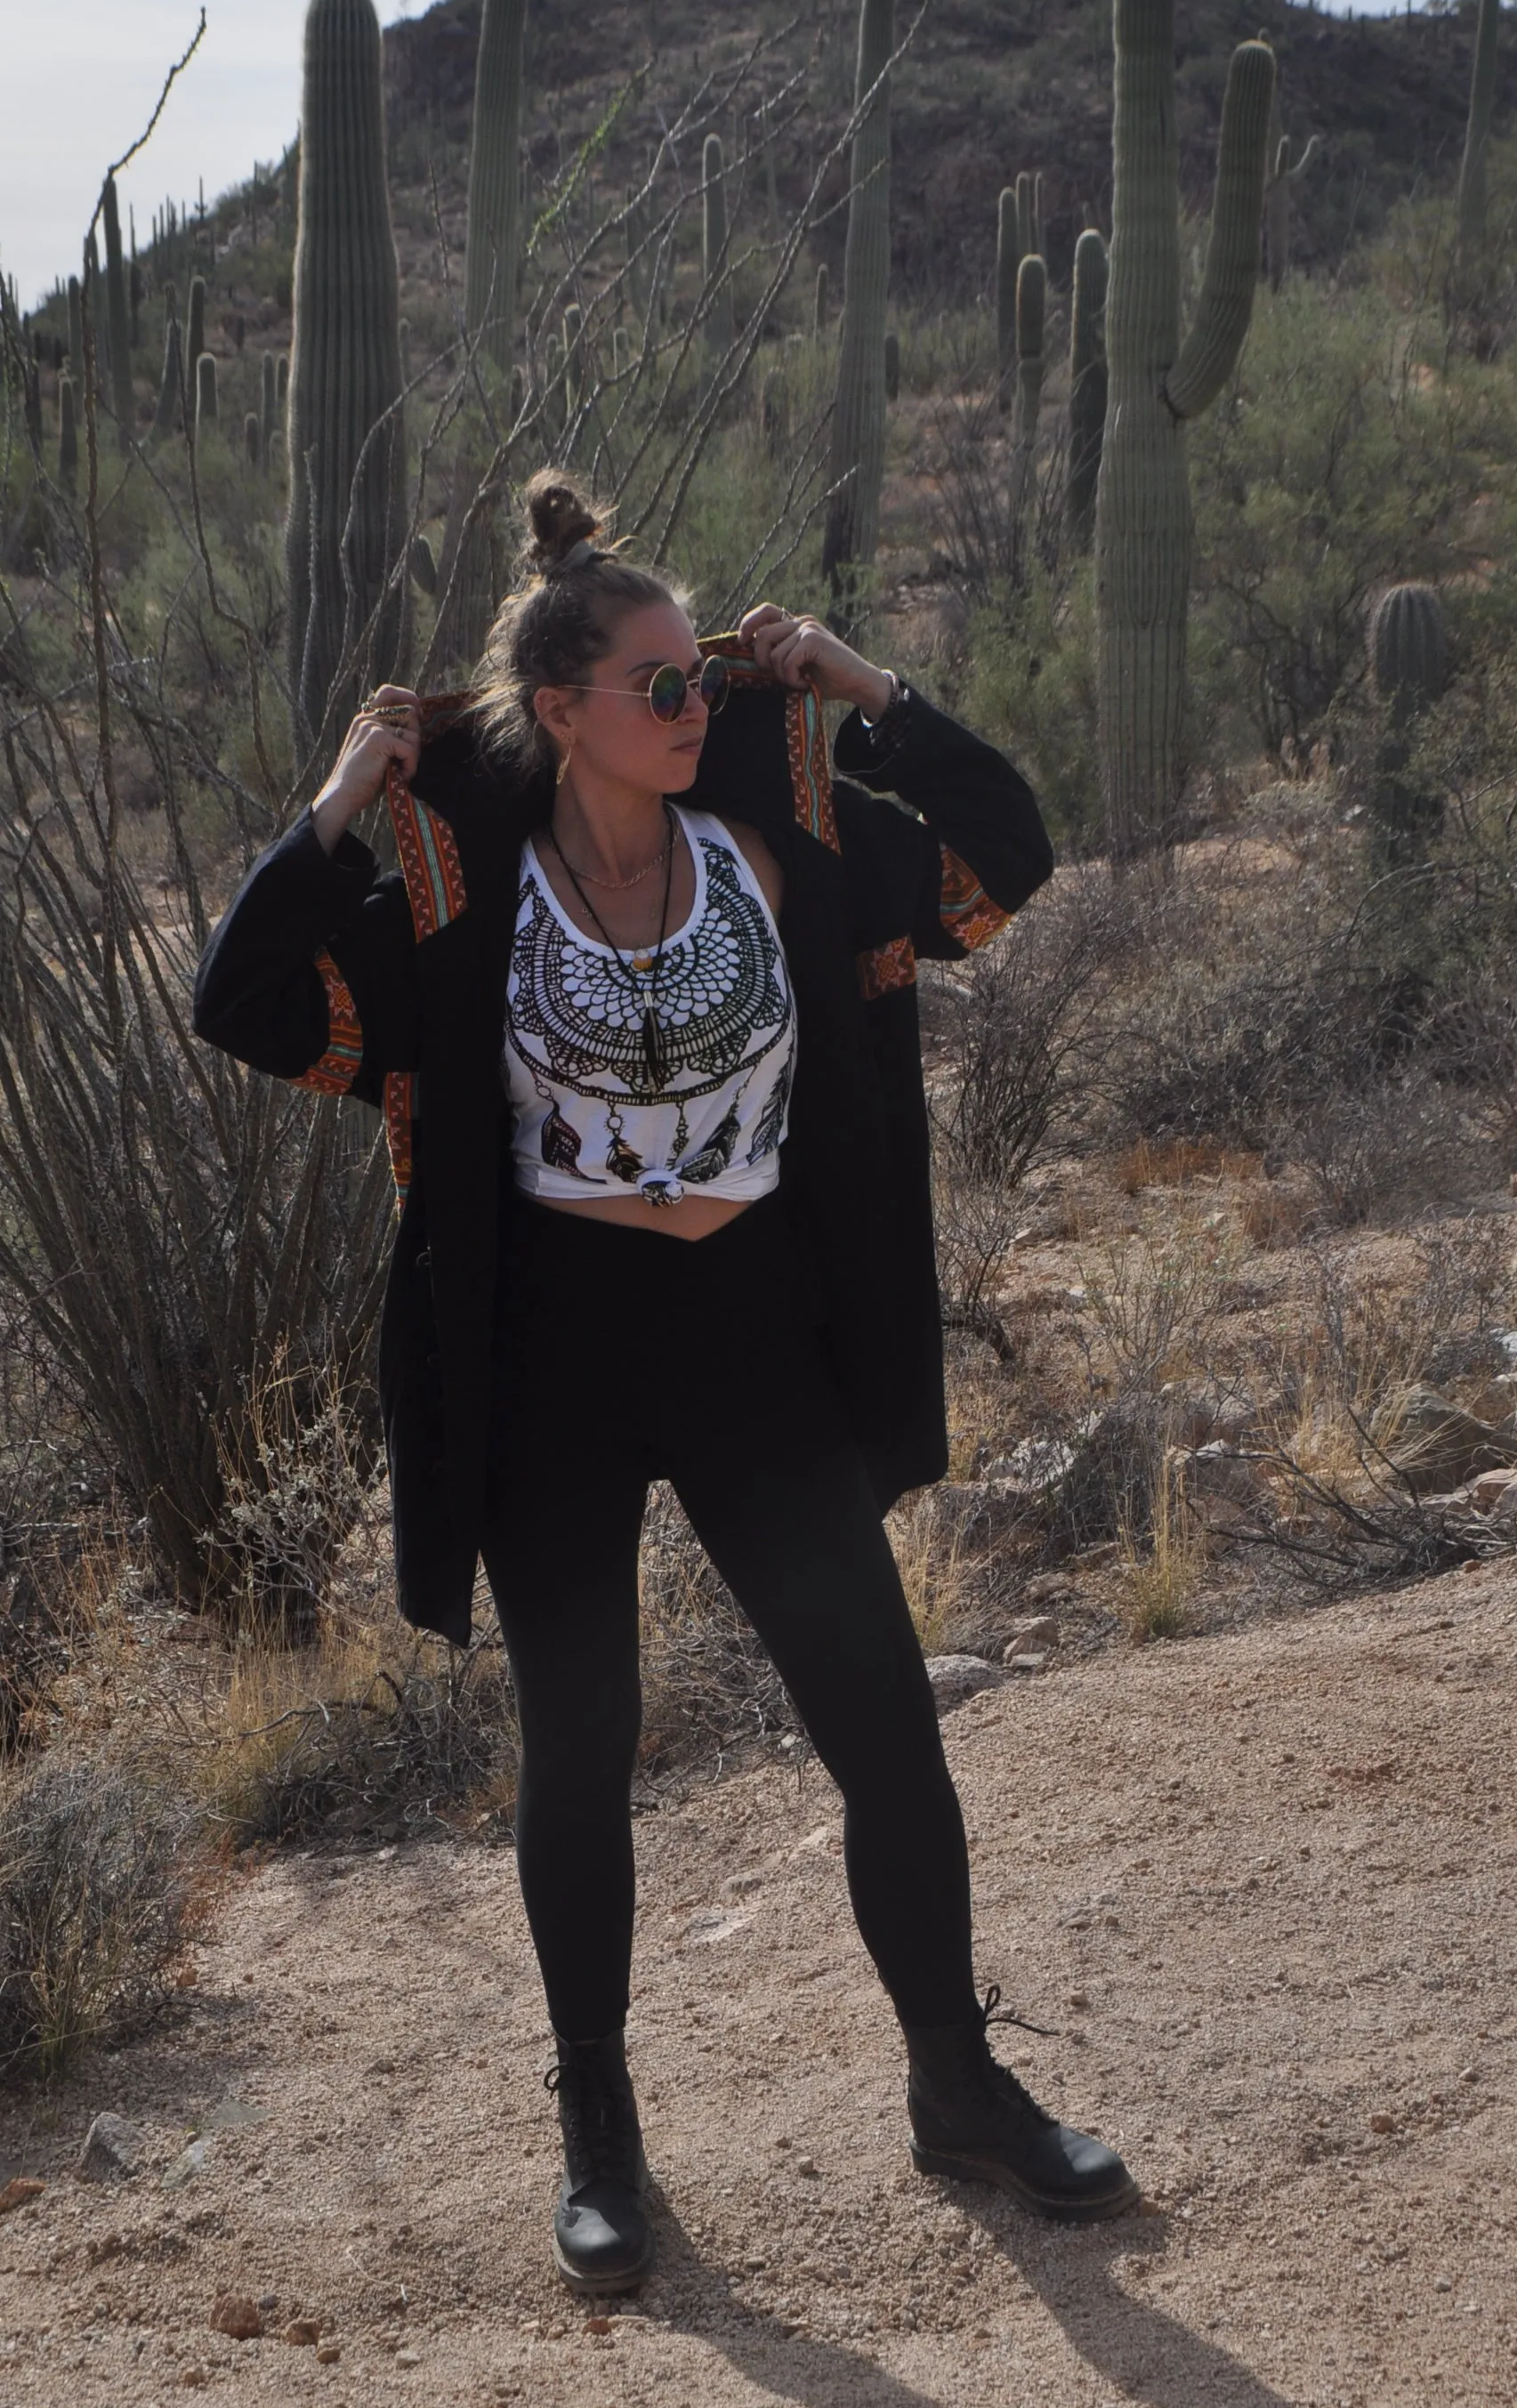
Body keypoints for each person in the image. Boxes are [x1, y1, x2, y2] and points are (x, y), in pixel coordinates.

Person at [193, 472, 1137, 2294]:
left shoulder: (787, 846)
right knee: (584, 1753)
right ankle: (603, 2144)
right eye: (658, 686)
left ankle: (961, 2090)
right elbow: (243, 999)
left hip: (755, 1345)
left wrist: (869, 692)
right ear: (561, 713)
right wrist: (334, 812)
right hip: (552, 1363)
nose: (694, 706)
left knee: (884, 1731)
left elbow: (1006, 855)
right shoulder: (460, 914)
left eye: (697, 678)